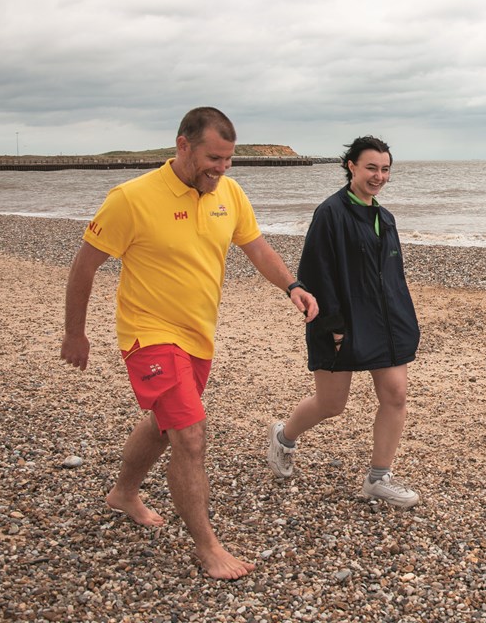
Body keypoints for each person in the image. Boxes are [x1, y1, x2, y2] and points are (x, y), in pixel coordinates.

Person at [60, 107, 319, 580]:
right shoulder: (131, 199)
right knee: (190, 433)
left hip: (198, 336)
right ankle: (207, 547)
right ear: (183, 145)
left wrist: (292, 286)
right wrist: (75, 332)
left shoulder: (229, 194)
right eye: (213, 158)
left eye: (228, 160)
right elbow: (84, 266)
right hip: (149, 334)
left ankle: (123, 493)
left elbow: (256, 246)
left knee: (164, 425)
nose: (221, 169)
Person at [267, 136, 421, 508]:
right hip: (342, 323)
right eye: (371, 167)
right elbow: (315, 274)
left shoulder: (385, 217)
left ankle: (378, 478)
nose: (378, 176)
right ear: (351, 166)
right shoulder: (330, 213)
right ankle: (284, 438)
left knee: (396, 395)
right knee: (331, 403)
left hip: (387, 323)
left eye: (385, 169)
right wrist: (333, 327)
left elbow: (394, 276)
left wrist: (405, 321)